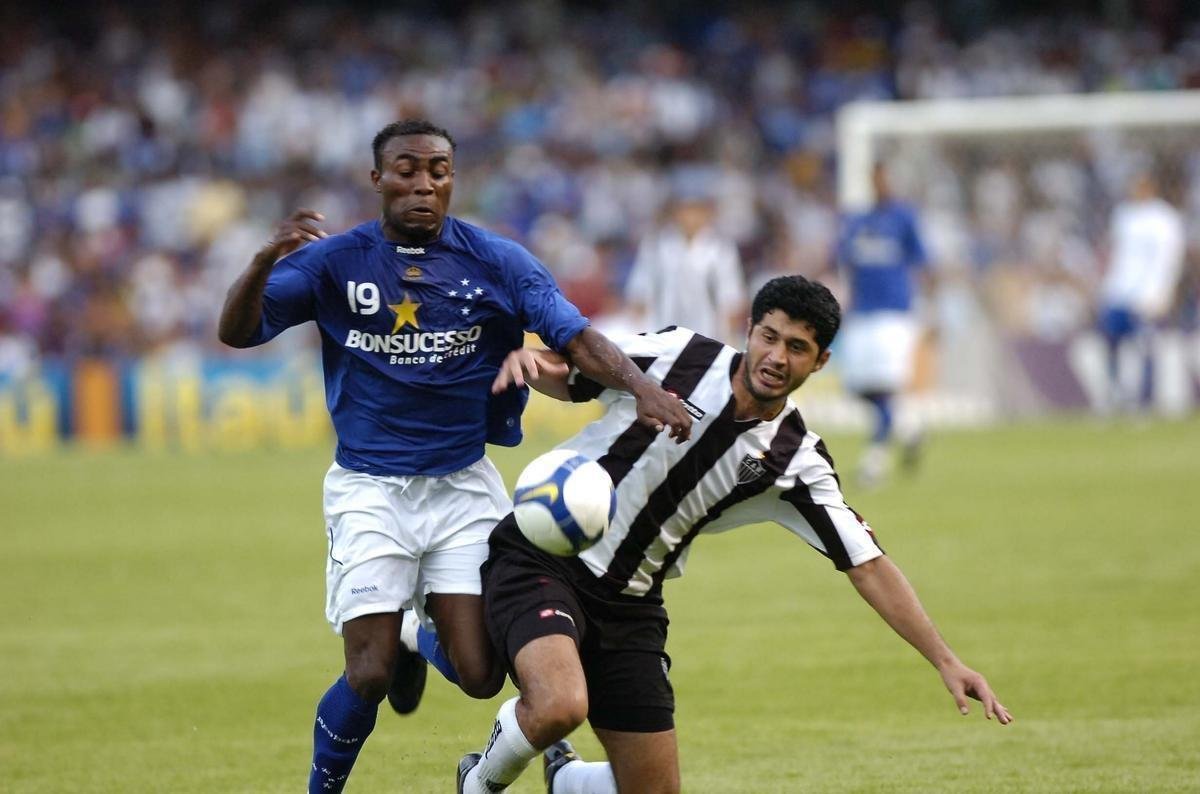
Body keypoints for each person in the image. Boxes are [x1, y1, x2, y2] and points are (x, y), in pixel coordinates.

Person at [216, 118, 692, 794]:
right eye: (407, 169)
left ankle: (418, 636)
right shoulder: (335, 262)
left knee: (480, 674)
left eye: (437, 170)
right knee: (369, 671)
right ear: (377, 178)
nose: (423, 183)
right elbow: (237, 332)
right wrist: (265, 259)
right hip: (370, 488)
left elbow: (575, 336)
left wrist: (642, 387)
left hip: (464, 487)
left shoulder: (498, 262)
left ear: (452, 179)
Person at [456, 275, 1012, 794]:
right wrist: (536, 365)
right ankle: (479, 781)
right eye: (768, 336)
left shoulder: (798, 460)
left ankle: (567, 781)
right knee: (559, 706)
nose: (775, 356)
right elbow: (575, 372)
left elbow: (866, 563)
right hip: (544, 558)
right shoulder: (681, 354)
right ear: (749, 330)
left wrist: (944, 659)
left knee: (654, 789)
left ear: (821, 362)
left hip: (631, 602)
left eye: (797, 347)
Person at [833, 162, 930, 487]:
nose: (882, 183)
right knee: (859, 388)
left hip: (893, 313)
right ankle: (908, 427)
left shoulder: (905, 218)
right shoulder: (857, 221)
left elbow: (923, 263)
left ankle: (874, 462)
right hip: (861, 313)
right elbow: (842, 262)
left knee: (885, 388)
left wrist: (929, 308)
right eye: (877, 177)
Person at [1096, 170, 1186, 415]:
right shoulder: (1123, 215)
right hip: (1118, 292)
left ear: (1150, 188)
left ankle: (1145, 401)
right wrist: (1107, 286)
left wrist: (1161, 293)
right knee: (1110, 342)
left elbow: (1169, 259)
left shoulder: (1164, 219)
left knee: (1145, 346)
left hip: (1147, 295)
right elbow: (1117, 255)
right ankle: (1115, 395)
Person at [624, 176, 747, 345]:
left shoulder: (720, 248)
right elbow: (640, 293)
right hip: (662, 335)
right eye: (686, 209)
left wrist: (729, 339)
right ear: (675, 211)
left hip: (709, 336)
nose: (691, 216)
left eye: (697, 210)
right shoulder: (656, 245)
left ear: (707, 213)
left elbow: (730, 300)